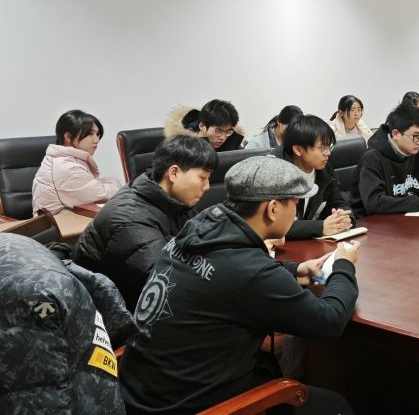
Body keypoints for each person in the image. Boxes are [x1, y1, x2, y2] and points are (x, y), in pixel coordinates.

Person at [120, 156, 359, 415]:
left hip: (138, 392)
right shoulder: (251, 271)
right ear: (273, 209)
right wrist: (344, 266)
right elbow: (329, 320)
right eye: (295, 202)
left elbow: (229, 272)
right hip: (188, 405)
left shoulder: (198, 228)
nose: (296, 210)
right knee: (336, 406)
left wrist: (294, 270)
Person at [72, 136, 218, 310]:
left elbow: (203, 241)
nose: (207, 186)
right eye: (202, 178)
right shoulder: (129, 219)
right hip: (115, 312)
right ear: (174, 173)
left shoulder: (174, 200)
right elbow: (164, 283)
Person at [1, 233, 135, 415]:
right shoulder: (11, 245)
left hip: (80, 396)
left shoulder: (21, 300)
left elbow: (40, 398)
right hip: (86, 370)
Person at [351, 103, 419, 216]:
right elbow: (375, 203)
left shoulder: (417, 154)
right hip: (373, 223)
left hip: (406, 219)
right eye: (416, 136)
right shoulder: (372, 159)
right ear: (396, 134)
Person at [275, 114, 356, 239]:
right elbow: (275, 226)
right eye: (322, 148)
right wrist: (320, 227)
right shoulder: (276, 173)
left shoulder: (324, 168)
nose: (327, 153)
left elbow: (337, 202)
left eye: (329, 146)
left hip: (310, 243)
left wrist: (345, 218)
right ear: (298, 150)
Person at [32, 109, 122, 214]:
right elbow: (99, 194)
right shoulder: (65, 167)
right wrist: (116, 184)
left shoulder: (66, 159)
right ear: (68, 137)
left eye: (97, 134)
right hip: (58, 222)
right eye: (90, 134)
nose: (96, 140)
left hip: (69, 218)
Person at [164, 99, 245, 151]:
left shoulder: (233, 144)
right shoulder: (179, 149)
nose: (223, 138)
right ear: (202, 126)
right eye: (218, 131)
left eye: (228, 132)